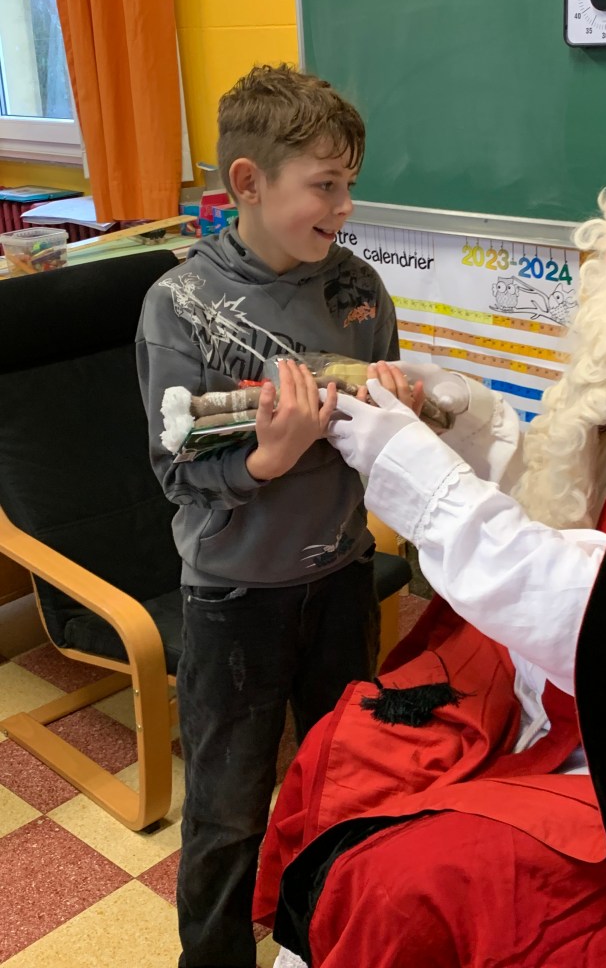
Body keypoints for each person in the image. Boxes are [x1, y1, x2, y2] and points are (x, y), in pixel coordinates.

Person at [252, 40, 606, 967]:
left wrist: (421, 478)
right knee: (349, 745)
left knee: (401, 886)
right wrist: (459, 422)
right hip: (555, 683)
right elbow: (578, 503)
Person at [136, 63, 400, 968]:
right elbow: (176, 469)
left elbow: (376, 423)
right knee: (228, 808)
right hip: (234, 596)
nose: (344, 206)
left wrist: (396, 406)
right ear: (248, 182)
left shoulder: (357, 289)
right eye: (325, 185)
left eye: (350, 184)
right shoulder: (180, 305)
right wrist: (267, 460)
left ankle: (318, 942)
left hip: (342, 575)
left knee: (344, 780)